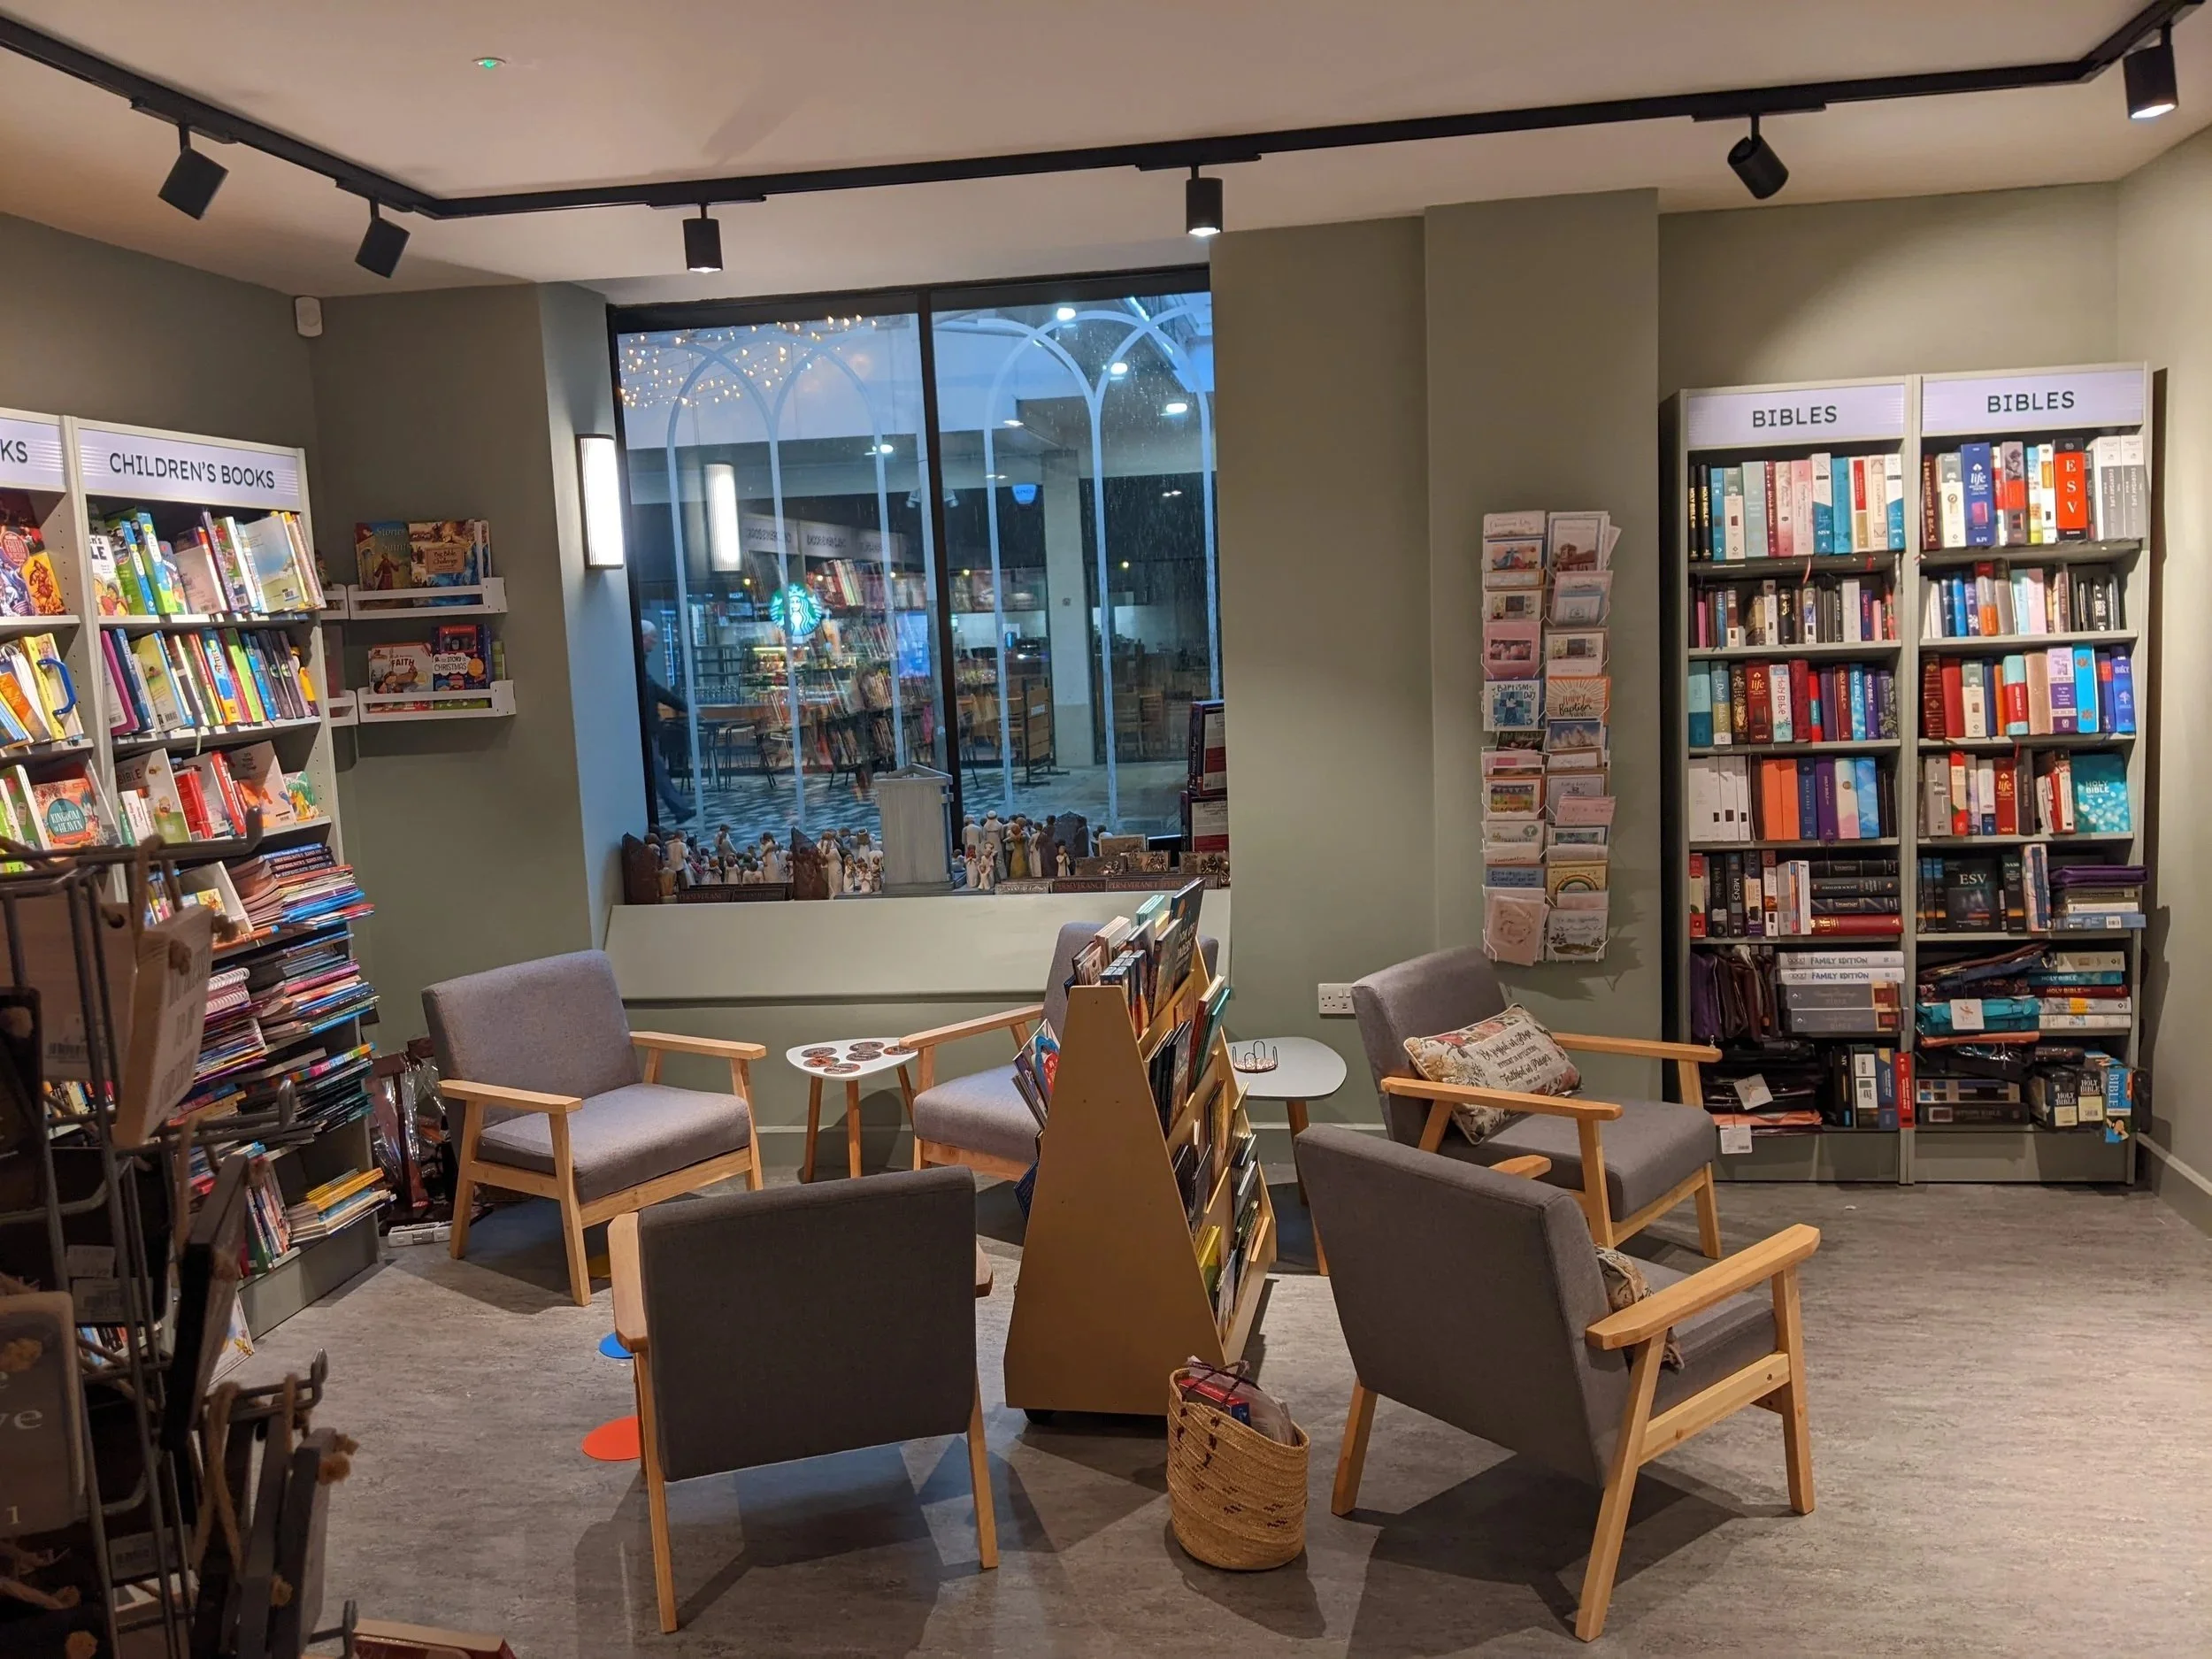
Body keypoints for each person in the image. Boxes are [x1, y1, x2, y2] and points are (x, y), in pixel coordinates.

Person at [638, 618, 694, 822]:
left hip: (648, 727)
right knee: (658, 770)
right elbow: (657, 692)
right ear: (643, 638)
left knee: (657, 770)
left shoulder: (638, 662)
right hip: (647, 727)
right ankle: (679, 809)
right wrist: (685, 707)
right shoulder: (637, 663)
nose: (655, 641)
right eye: (652, 637)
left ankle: (677, 809)